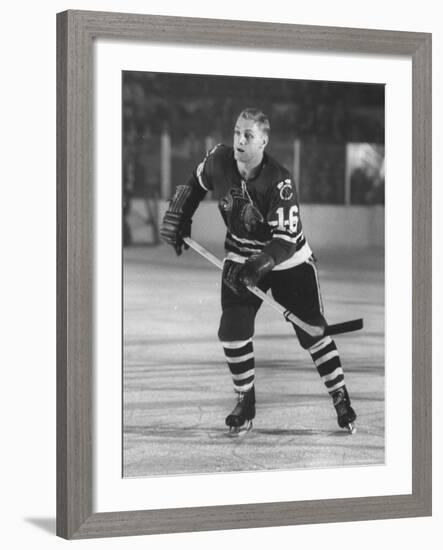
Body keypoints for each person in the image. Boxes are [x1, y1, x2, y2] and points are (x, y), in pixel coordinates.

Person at [160, 108, 356, 435]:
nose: (239, 139)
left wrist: (259, 266)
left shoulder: (278, 181)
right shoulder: (218, 160)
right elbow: (195, 183)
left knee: (312, 331)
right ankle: (245, 401)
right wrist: (181, 213)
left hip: (287, 261)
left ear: (263, 141)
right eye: (237, 132)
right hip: (241, 254)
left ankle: (339, 394)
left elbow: (285, 242)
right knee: (232, 328)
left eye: (248, 135)